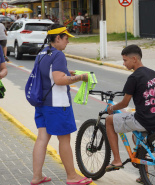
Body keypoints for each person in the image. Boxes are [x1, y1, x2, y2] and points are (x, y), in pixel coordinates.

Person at [30, 24, 92, 185]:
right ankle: (72, 176)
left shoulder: (42, 53)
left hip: (42, 103)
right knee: (64, 140)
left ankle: (37, 176)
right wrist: (81, 77)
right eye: (66, 39)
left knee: (42, 138)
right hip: (57, 105)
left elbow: (49, 75)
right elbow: (58, 80)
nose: (68, 42)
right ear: (57, 38)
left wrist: (66, 73)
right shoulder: (58, 55)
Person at [105, 45, 155, 182]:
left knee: (109, 120)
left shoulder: (133, 77)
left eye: (125, 60)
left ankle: (116, 160)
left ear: (134, 59)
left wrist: (112, 108)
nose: (123, 63)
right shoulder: (153, 73)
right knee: (136, 136)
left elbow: (125, 103)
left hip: (143, 119)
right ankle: (144, 175)